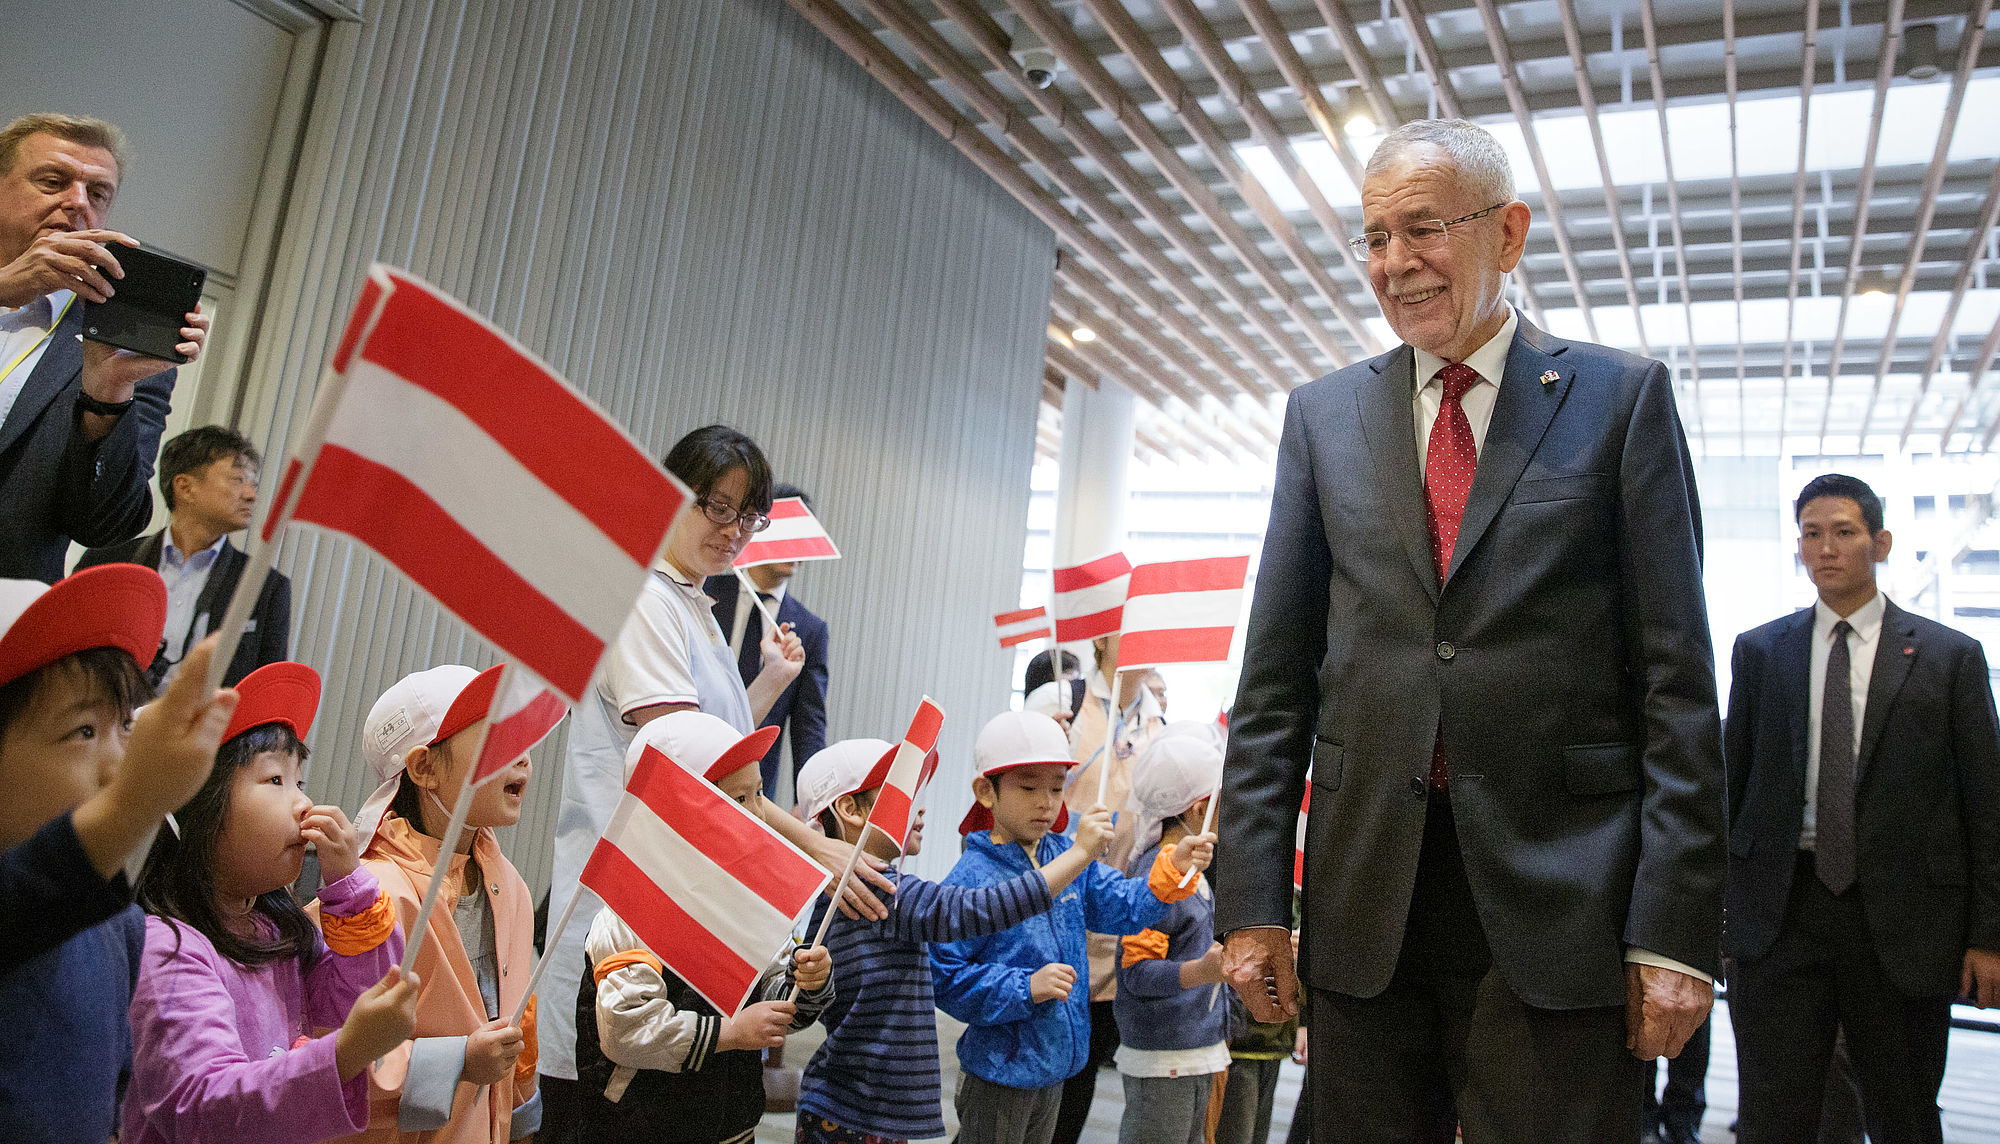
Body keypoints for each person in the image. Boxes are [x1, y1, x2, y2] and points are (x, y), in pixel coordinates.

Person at [1216, 117, 1725, 1144]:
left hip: (1562, 905)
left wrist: (1673, 931)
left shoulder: (1619, 400)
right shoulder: (1323, 417)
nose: (1394, 261)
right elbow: (1274, 685)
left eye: (1423, 228)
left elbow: (1675, 685)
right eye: (1373, 237)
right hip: (1367, 907)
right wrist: (1252, 900)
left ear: (1509, 231)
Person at [542, 425, 889, 1138]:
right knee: (615, 1101)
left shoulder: (693, 603)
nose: (734, 531)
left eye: (749, 515)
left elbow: (718, 746)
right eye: (718, 508)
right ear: (672, 496)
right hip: (631, 903)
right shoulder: (644, 600)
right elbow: (688, 775)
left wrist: (769, 683)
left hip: (686, 901)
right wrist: (811, 846)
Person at [1722, 473, 2000, 1144]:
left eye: (1844, 532)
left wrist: (1988, 936)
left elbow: (1986, 806)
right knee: (1772, 1117)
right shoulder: (1761, 652)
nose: (1826, 549)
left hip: (1905, 922)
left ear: (1881, 542)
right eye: (1811, 534)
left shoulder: (1950, 657)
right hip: (1783, 914)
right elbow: (1733, 790)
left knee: (1904, 1114)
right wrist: (1720, 917)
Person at [124, 657, 420, 1144]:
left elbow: (353, 1002)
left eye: (299, 782)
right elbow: (204, 1108)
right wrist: (344, 1053)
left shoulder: (277, 933)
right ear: (196, 807)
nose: (303, 804)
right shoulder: (167, 948)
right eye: (275, 781)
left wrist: (349, 887)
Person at [0, 566, 239, 1143]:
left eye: (126, 726)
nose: (118, 764)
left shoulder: (120, 929)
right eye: (84, 731)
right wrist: (134, 800)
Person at [793, 736, 1114, 1144]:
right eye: (904, 793)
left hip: (866, 1108)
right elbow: (978, 910)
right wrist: (1080, 854)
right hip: (853, 1111)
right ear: (850, 809)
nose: (921, 807)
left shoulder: (860, 892)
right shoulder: (881, 893)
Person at [932, 710, 1213, 1144]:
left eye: (1057, 787)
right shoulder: (972, 878)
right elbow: (945, 976)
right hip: (999, 1072)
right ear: (986, 791)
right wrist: (1026, 987)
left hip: (1056, 1064)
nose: (1046, 802)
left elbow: (1123, 906)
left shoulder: (1067, 855)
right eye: (1029, 788)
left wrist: (1172, 867)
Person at [572, 711, 834, 1144]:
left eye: (759, 794)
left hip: (733, 1129)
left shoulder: (746, 901)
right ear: (673, 811)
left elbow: (775, 1011)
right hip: (640, 1131)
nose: (758, 815)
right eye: (739, 799)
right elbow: (627, 1031)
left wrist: (805, 981)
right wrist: (731, 1034)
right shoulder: (629, 912)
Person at [336, 663, 569, 1142]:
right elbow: (337, 1059)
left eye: (520, 735)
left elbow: (513, 1043)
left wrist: (522, 1114)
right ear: (424, 768)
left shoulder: (510, 886)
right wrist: (459, 1062)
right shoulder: (368, 899)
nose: (523, 758)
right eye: (497, 738)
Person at [0, 113, 210, 582]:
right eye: (53, 181)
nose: (78, 202)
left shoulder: (122, 350)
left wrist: (106, 398)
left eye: (97, 193)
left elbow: (104, 525)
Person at [76, 424, 292, 688]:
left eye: (253, 484)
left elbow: (266, 694)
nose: (251, 495)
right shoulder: (105, 565)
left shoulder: (265, 588)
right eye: (238, 480)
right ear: (185, 487)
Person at [1112, 733, 1230, 1144]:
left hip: (1195, 1047)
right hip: (1164, 1056)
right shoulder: (1155, 876)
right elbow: (1136, 973)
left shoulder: (1193, 871)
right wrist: (1202, 971)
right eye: (1222, 802)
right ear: (1199, 809)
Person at [706, 482, 830, 799]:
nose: (797, 547)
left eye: (804, 536)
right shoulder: (705, 592)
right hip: (692, 761)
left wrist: (809, 801)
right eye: (788, 532)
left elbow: (808, 727)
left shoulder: (811, 630)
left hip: (755, 790)